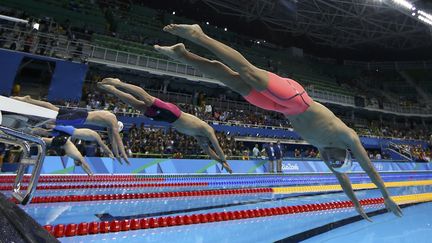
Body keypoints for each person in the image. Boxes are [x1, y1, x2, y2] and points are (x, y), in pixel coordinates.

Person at [154, 23, 402, 220]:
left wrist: (357, 204)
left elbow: (343, 179)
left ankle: (183, 55)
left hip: (279, 108)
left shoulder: (325, 150)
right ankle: (199, 35)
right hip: (296, 99)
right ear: (345, 154)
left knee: (231, 80)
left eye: (332, 164)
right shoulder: (346, 136)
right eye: (337, 161)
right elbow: (369, 167)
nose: (330, 162)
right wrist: (386, 196)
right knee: (248, 72)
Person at [97, 78, 233, 173]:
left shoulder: (199, 136)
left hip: (166, 119)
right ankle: (119, 83)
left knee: (137, 105)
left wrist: (221, 162)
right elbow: (217, 147)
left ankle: (113, 90)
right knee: (147, 98)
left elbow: (210, 152)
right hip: (173, 113)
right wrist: (224, 160)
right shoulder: (208, 130)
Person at [12, 96, 129, 164]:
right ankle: (25, 122)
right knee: (51, 121)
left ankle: (27, 100)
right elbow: (117, 140)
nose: (114, 131)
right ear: (117, 127)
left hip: (80, 115)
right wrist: (123, 155)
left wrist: (115, 155)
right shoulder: (112, 121)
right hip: (79, 119)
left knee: (54, 109)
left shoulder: (109, 122)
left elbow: (113, 141)